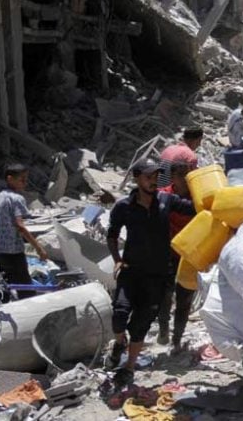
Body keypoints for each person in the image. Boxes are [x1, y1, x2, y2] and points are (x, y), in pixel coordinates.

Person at [106, 158, 195, 385]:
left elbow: (195, 209)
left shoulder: (166, 200)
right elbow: (112, 235)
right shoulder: (123, 207)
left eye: (156, 176)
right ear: (137, 178)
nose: (153, 181)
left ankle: (129, 367)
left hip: (157, 276)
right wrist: (117, 260)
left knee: (141, 325)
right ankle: (119, 343)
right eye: (148, 177)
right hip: (130, 272)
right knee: (119, 315)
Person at [156, 162, 199, 352]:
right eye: (181, 175)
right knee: (164, 295)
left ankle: (177, 339)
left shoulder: (198, 196)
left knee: (184, 299)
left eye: (188, 175)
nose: (186, 179)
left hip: (189, 255)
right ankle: (163, 328)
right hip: (166, 253)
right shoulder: (163, 195)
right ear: (172, 177)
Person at [0, 163, 49, 300]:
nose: (25, 183)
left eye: (26, 179)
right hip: (14, 253)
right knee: (25, 290)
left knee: (5, 288)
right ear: (10, 179)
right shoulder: (16, 199)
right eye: (21, 179)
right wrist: (39, 249)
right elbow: (20, 226)